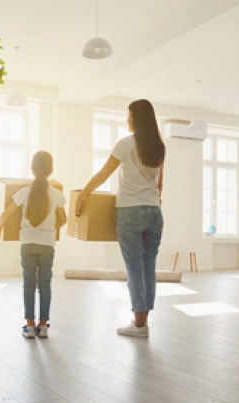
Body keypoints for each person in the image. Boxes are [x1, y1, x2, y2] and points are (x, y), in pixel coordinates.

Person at [75, 99, 165, 338]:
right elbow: (160, 185)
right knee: (148, 267)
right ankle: (142, 322)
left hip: (130, 211)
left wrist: (82, 195)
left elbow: (103, 175)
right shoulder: (159, 147)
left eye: (129, 115)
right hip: (154, 212)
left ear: (135, 118)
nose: (127, 119)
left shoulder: (126, 144)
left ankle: (138, 325)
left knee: (134, 268)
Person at [0, 151, 67, 338]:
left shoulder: (24, 192)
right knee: (44, 284)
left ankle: (29, 326)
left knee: (28, 284)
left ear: (32, 169)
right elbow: (63, 220)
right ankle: (43, 326)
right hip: (47, 244)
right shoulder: (56, 194)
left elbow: (5, 214)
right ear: (51, 170)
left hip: (27, 243)